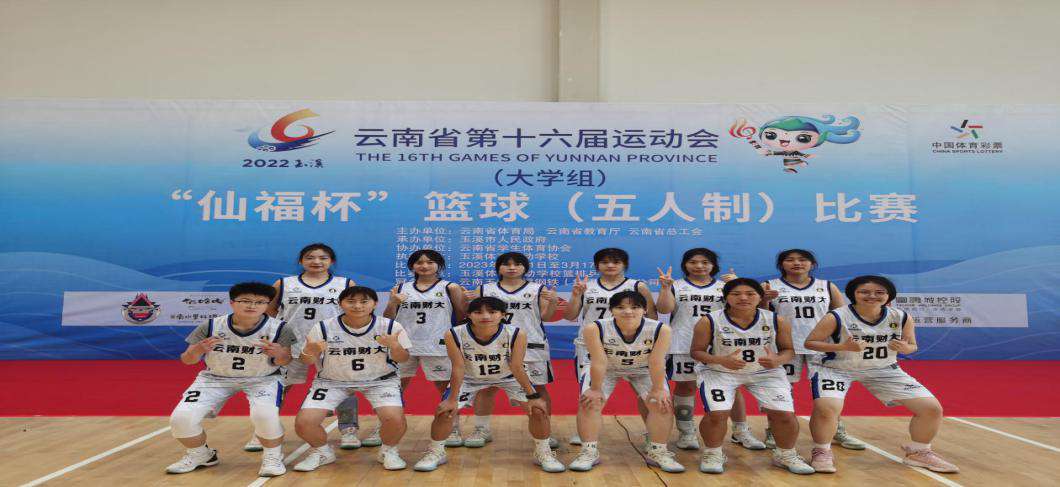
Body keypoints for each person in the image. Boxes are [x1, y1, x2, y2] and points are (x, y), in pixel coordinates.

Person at [804, 275, 958, 473]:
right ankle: (822, 451)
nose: (872, 296)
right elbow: (810, 343)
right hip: (836, 368)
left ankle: (919, 452)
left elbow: (912, 346)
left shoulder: (901, 317)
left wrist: (905, 348)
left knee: (931, 408)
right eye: (864, 292)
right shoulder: (836, 316)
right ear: (853, 294)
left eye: (879, 292)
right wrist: (842, 346)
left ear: (888, 295)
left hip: (883, 369)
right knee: (827, 408)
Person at [413, 297, 564, 473]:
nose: (485, 316)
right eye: (478, 312)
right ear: (469, 315)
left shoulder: (516, 333)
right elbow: (458, 366)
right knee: (445, 411)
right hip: (469, 378)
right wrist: (452, 399)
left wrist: (533, 396)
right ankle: (436, 452)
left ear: (503, 315)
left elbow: (516, 366)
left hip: (509, 377)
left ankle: (543, 452)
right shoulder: (454, 333)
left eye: (492, 312)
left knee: (537, 410)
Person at [166, 282, 295, 477]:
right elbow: (187, 360)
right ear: (232, 302)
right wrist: (198, 350)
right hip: (215, 378)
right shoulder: (211, 325)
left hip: (262, 378)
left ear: (267, 305)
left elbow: (285, 360)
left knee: (264, 416)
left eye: (260, 302)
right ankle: (201, 454)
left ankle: (272, 456)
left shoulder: (280, 328)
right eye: (246, 301)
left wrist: (278, 354)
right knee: (181, 419)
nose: (252, 306)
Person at [691, 278, 814, 475]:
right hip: (719, 371)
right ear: (726, 297)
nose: (743, 298)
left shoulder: (776, 320)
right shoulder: (709, 320)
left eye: (750, 294)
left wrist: (777, 360)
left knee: (784, 414)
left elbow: (788, 350)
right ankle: (713, 453)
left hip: (765, 372)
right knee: (717, 414)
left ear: (760, 297)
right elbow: (696, 352)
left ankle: (785, 454)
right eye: (736, 294)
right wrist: (720, 360)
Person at [252, 243, 361, 451]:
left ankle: (348, 429)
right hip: (290, 344)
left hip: (332, 343)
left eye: (323, 258)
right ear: (301, 261)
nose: (317, 261)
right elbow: (271, 309)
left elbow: (354, 310)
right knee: (278, 387)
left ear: (332, 261)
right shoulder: (284, 284)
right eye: (310, 257)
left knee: (343, 388)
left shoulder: (345, 283)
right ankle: (265, 431)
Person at [293, 286, 411, 472]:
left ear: (375, 304)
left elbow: (403, 359)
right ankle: (322, 452)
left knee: (394, 418)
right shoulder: (323, 327)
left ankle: (389, 451)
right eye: (351, 301)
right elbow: (306, 360)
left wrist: (395, 346)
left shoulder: (390, 327)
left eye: (364, 301)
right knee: (304, 423)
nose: (357, 306)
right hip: (332, 381)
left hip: (380, 380)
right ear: (340, 303)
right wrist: (310, 351)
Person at [655, 248, 762, 451]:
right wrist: (665, 289)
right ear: (685, 265)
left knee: (732, 387)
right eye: (693, 262)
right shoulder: (676, 285)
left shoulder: (725, 287)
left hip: (722, 345)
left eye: (705, 262)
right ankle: (686, 431)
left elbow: (745, 308)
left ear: (713, 265)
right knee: (686, 387)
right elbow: (664, 309)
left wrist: (737, 286)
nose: (699, 266)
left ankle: (741, 431)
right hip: (684, 343)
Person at [760, 248, 866, 449]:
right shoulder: (769, 286)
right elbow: (760, 316)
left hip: (821, 345)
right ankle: (774, 429)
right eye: (790, 260)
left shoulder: (826, 286)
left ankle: (836, 429)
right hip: (784, 345)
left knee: (829, 392)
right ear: (781, 265)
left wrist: (844, 344)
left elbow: (841, 316)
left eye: (802, 259)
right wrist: (764, 298)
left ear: (812, 264)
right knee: (780, 390)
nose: (796, 263)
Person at [568, 291, 684, 473]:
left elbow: (656, 362)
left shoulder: (661, 329)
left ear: (645, 310)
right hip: (607, 368)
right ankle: (588, 452)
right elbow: (599, 361)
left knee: (662, 403)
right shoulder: (594, 328)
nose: (628, 311)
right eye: (620, 307)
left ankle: (658, 452)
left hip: (643, 368)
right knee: (590, 402)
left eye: (635, 307)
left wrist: (658, 389)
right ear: (611, 310)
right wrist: (595, 389)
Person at [462, 252, 559, 448]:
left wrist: (554, 302)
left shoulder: (537, 289)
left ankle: (545, 430)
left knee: (538, 387)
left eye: (517, 264)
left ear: (525, 267)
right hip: (493, 345)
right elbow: (473, 315)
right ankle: (481, 429)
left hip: (532, 344)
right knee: (487, 387)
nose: (512, 268)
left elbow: (546, 317)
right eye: (507, 264)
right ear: (498, 268)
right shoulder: (485, 289)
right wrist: (465, 300)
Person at [564, 247, 656, 445]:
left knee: (645, 394)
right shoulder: (586, 286)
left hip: (632, 346)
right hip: (591, 345)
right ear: (597, 265)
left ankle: (653, 433)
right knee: (589, 391)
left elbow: (652, 317)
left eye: (616, 261)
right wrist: (576, 295)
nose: (610, 265)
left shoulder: (637, 286)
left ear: (625, 265)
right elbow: (570, 315)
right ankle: (586, 433)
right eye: (605, 262)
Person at [383, 249, 468, 446]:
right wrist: (392, 303)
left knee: (446, 389)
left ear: (439, 265)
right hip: (404, 345)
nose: (424, 266)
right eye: (419, 262)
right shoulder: (401, 288)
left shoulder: (450, 287)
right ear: (412, 266)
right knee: (392, 387)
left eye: (430, 262)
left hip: (437, 345)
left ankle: (452, 427)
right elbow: (388, 319)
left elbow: (461, 316)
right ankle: (387, 426)